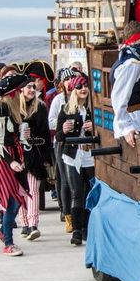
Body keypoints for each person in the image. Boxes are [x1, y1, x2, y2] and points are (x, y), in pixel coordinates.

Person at [0, 73, 33, 257]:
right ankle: (8, 242)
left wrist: (26, 139)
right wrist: (11, 161)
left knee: (18, 198)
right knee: (11, 200)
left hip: (15, 155)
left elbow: (19, 139)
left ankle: (3, 231)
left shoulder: (15, 112)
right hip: (3, 159)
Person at [56, 74, 96, 246]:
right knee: (76, 193)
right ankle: (77, 231)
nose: (83, 89)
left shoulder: (94, 109)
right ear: (73, 90)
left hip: (91, 155)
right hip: (73, 155)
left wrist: (95, 128)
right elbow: (58, 137)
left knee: (92, 192)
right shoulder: (66, 110)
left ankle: (89, 228)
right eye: (79, 87)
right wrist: (64, 131)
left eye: (85, 86)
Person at [17, 80, 53, 241]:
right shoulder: (15, 107)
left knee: (33, 189)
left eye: (33, 87)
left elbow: (45, 132)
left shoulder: (40, 107)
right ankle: (24, 223)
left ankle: (33, 224)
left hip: (36, 154)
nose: (32, 90)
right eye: (28, 87)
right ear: (22, 89)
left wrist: (46, 157)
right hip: (19, 154)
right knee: (20, 190)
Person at [49, 67, 83, 233]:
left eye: (73, 79)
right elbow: (51, 121)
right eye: (68, 79)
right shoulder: (58, 100)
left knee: (78, 182)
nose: (71, 82)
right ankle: (66, 212)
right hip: (62, 142)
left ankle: (78, 215)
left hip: (80, 145)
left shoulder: (83, 101)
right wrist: (61, 126)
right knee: (64, 179)